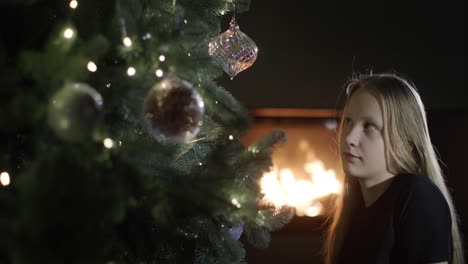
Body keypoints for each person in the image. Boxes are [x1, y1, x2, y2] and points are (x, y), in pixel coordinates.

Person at [323, 73, 465, 264]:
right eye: (348, 121)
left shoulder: (417, 196)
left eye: (369, 126)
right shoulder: (354, 205)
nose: (349, 138)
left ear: (406, 143)